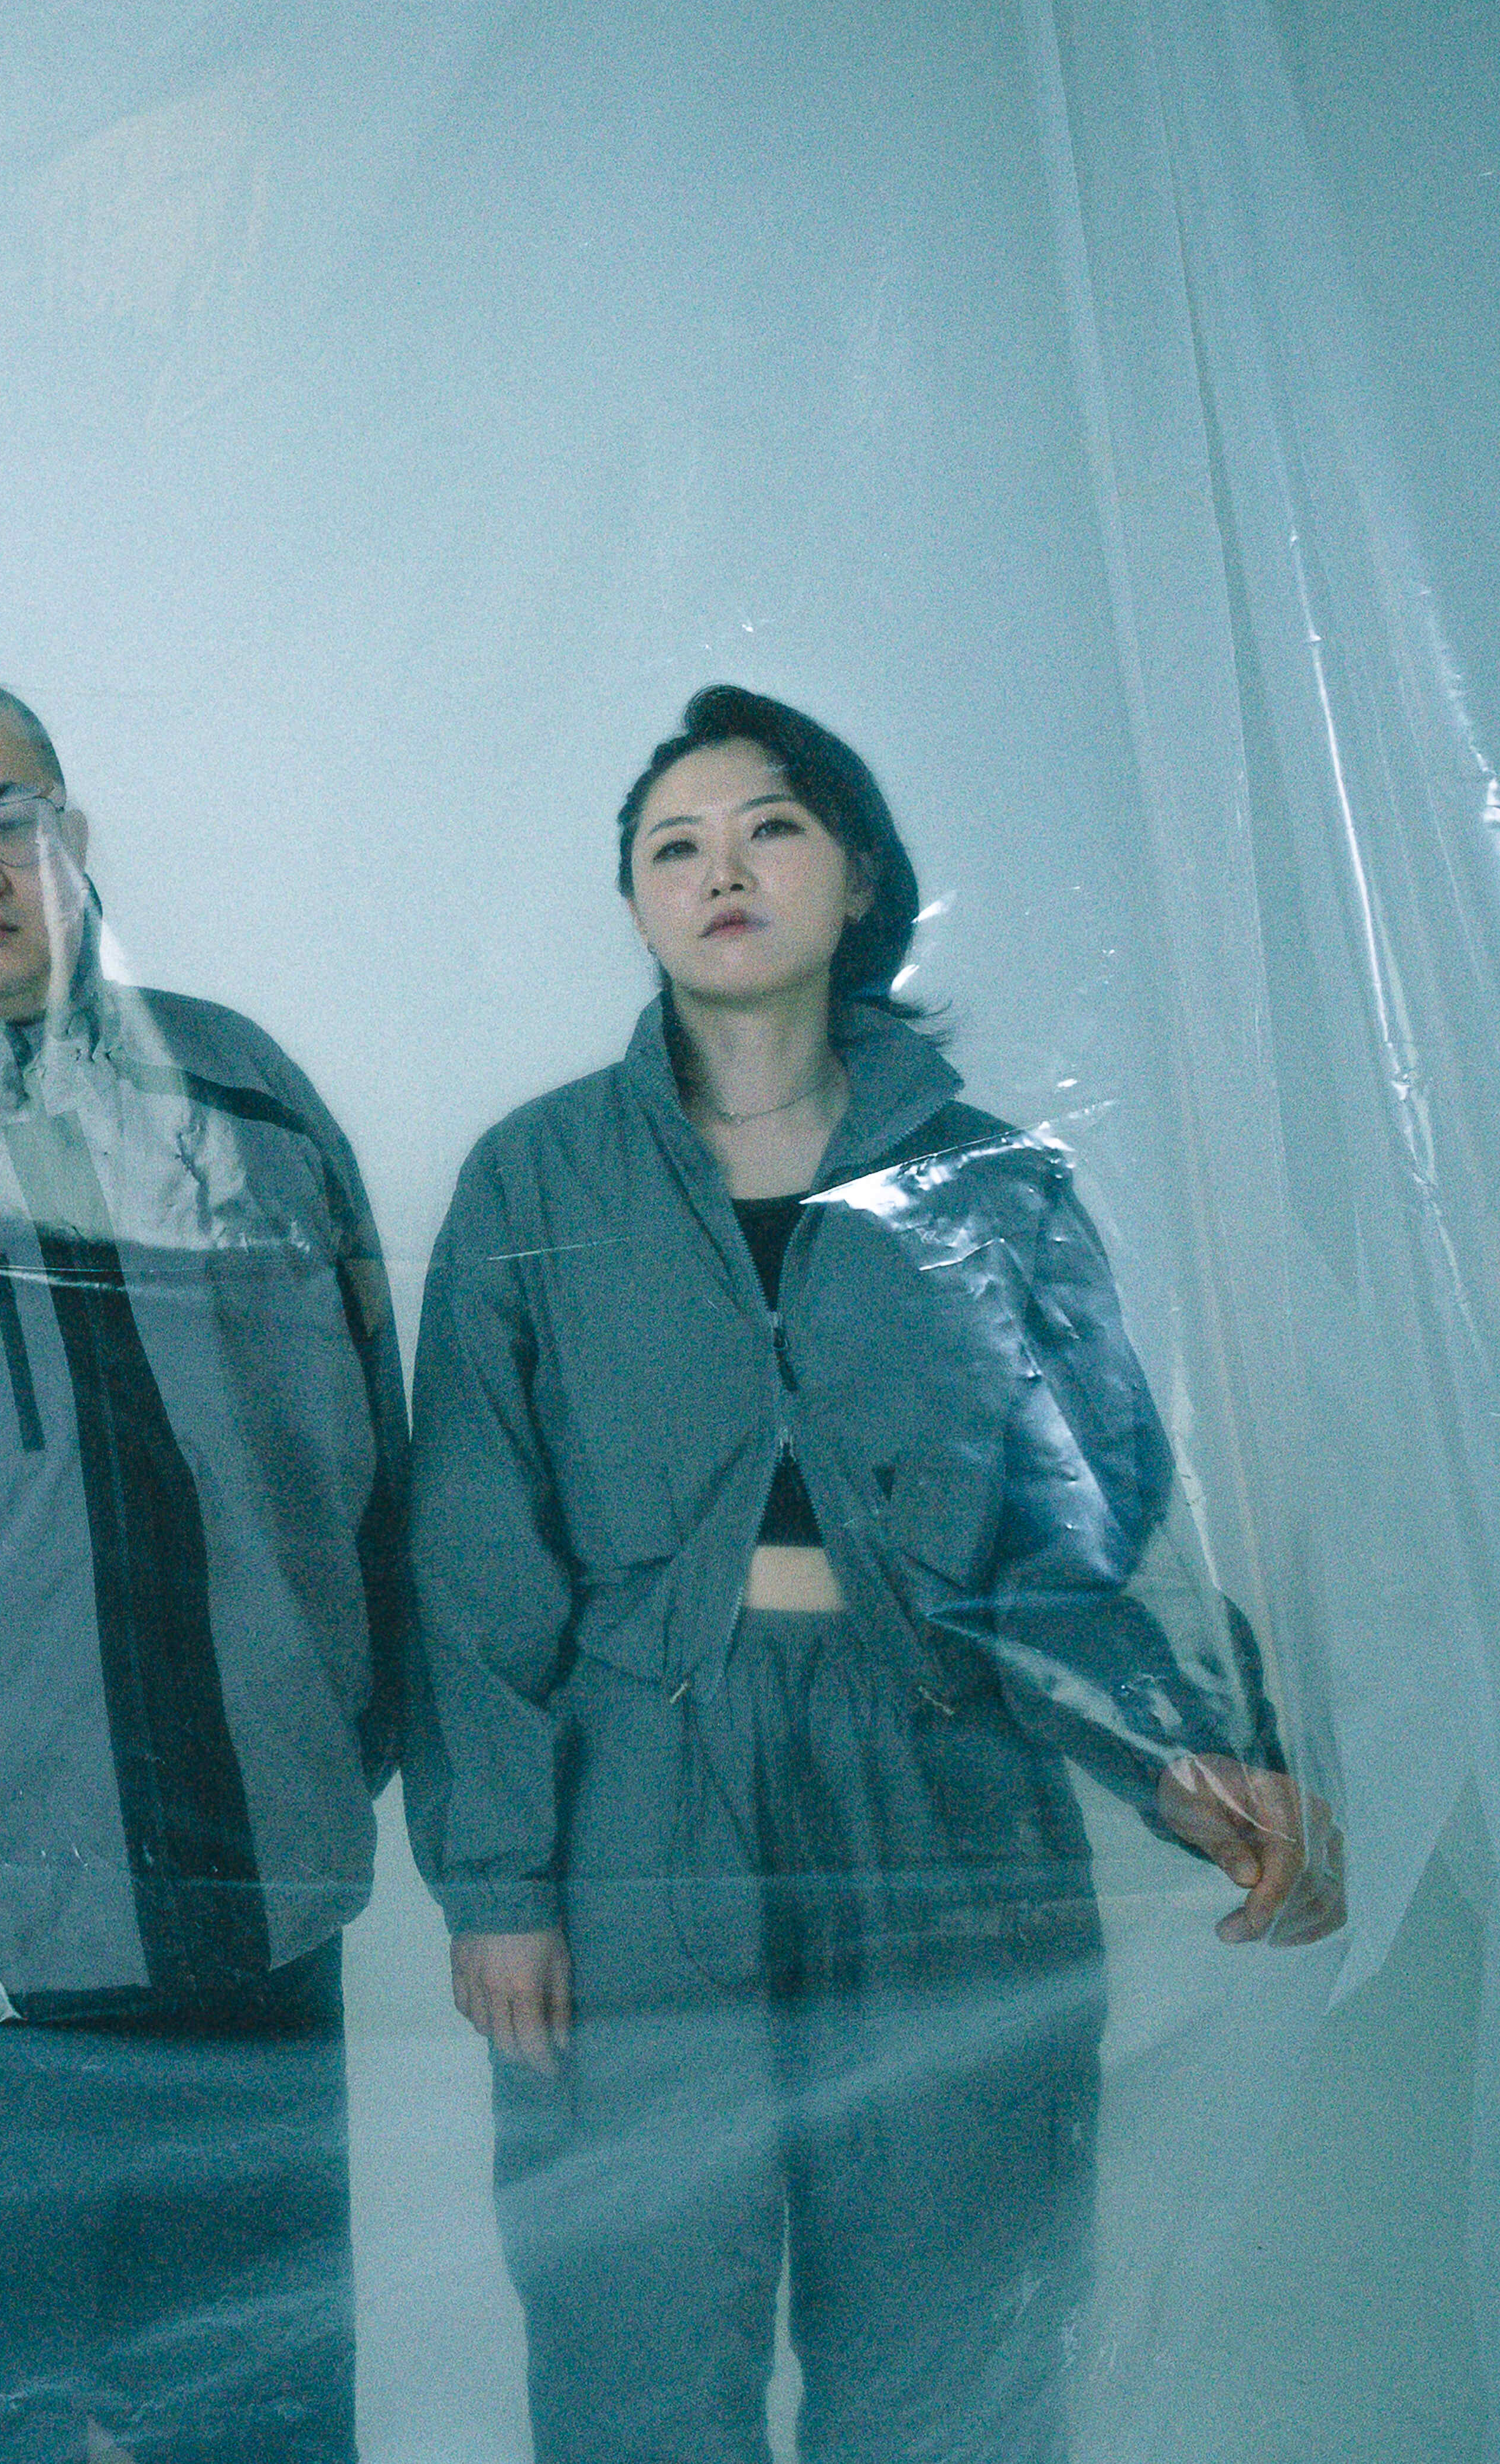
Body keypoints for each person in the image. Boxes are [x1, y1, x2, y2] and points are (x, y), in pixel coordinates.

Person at [408, 682, 1344, 2463]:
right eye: (673, 847)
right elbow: (471, 1557)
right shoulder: (537, 1182)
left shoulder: (986, 1184)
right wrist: (498, 1879)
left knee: (953, 2330)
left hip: (941, 1786)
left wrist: (1202, 1752)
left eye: (769, 827)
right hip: (641, 1805)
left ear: (855, 878)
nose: (721, 872)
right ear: (634, 907)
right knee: (636, 2328)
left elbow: (1085, 1524)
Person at [0, 675, 402, 2463]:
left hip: (252, 1955)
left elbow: (375, 1473)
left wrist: (325, 1759)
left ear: (75, 839)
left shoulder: (247, 1104)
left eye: (11, 821)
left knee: (260, 2441)